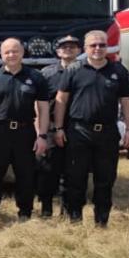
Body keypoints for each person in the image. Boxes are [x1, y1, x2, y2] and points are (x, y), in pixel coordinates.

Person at [51, 31, 129, 226]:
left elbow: (126, 102)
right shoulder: (74, 69)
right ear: (85, 48)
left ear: (107, 47)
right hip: (78, 131)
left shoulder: (118, 71)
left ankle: (101, 221)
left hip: (107, 133)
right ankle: (75, 220)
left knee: (105, 179)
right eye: (93, 45)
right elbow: (61, 100)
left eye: (102, 45)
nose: (98, 48)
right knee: (76, 178)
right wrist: (59, 128)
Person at [0, 39, 50, 225]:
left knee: (26, 176)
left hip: (25, 133)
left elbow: (43, 109)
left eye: (15, 51)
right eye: (7, 52)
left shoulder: (36, 77)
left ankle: (25, 215)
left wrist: (42, 136)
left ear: (22, 53)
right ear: (1, 55)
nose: (11, 55)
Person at [34, 35, 82, 219]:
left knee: (72, 170)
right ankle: (46, 209)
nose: (68, 49)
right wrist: (40, 129)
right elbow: (38, 103)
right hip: (51, 125)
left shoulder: (84, 71)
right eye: (64, 46)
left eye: (72, 46)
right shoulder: (46, 73)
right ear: (57, 51)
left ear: (79, 50)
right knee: (47, 169)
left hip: (76, 126)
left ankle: (67, 209)